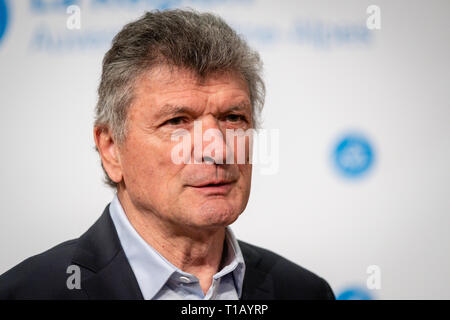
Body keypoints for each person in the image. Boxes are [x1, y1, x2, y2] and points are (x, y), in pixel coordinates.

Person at [0, 9, 334, 300]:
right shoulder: (29, 293)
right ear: (111, 149)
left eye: (233, 118)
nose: (216, 149)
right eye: (177, 121)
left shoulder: (303, 292)